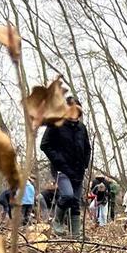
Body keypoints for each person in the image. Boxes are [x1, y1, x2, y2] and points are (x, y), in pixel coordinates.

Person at [40, 95, 92, 239]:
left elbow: (87, 148)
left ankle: (76, 233)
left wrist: (85, 164)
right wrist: (59, 160)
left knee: (76, 200)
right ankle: (57, 224)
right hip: (61, 168)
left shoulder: (82, 128)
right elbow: (45, 145)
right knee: (67, 195)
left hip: (78, 170)